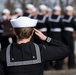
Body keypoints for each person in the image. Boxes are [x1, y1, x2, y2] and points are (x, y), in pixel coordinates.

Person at [0, 16, 70, 75]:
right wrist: (46, 38)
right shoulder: (41, 50)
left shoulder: (3, 54)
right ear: (32, 33)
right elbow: (65, 50)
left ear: (15, 32)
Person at [48, 5, 64, 70]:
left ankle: (50, 64)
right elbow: (63, 27)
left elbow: (48, 26)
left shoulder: (49, 17)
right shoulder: (60, 18)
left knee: (51, 50)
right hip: (58, 35)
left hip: (51, 35)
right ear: (57, 11)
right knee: (59, 50)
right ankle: (58, 66)